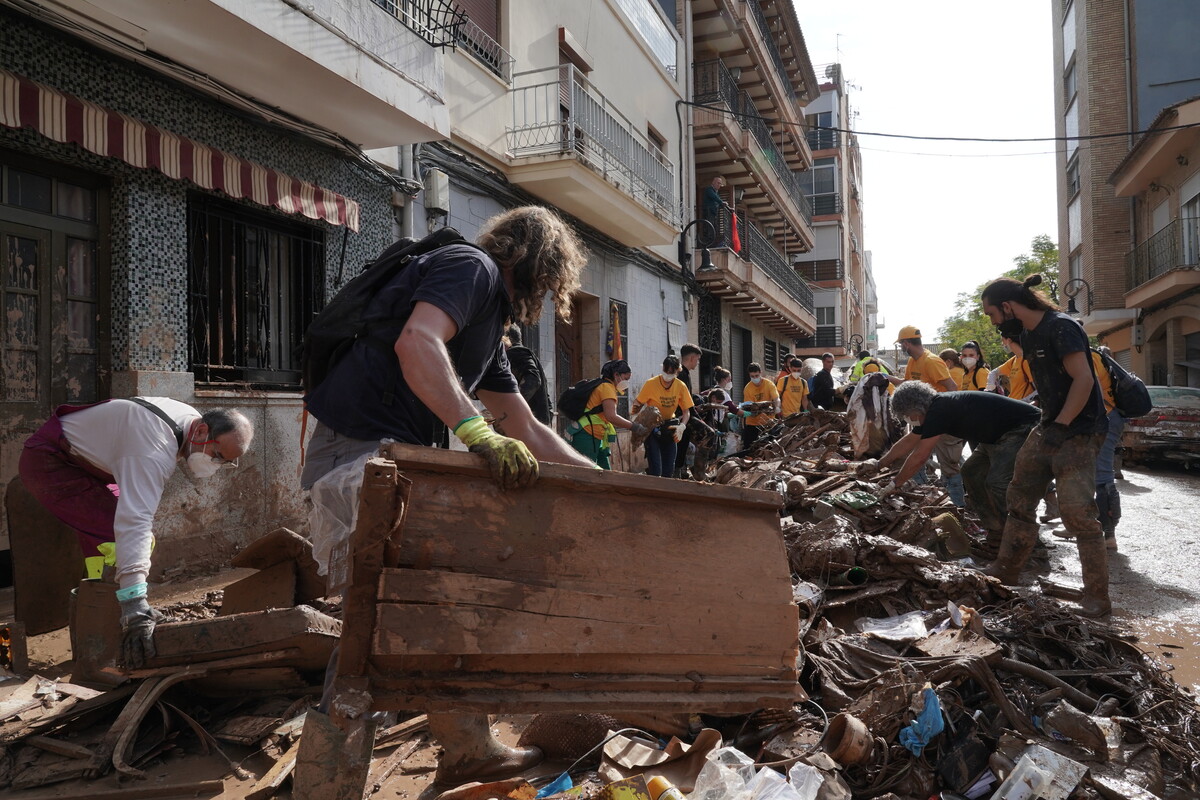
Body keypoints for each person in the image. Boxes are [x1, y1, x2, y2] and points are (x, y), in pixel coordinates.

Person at [301, 205, 596, 785]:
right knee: (385, 613)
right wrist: (475, 433)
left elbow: (527, 426)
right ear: (541, 264)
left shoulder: (490, 328)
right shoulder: (472, 269)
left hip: (386, 455)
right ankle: (326, 780)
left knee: (429, 604)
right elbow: (417, 344)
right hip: (358, 454)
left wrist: (614, 486)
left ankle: (464, 748)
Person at [19, 399, 253, 668]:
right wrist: (136, 605)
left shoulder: (187, 422)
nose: (216, 464)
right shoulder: (152, 450)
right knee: (119, 539)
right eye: (218, 456)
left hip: (90, 466)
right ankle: (111, 628)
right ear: (201, 432)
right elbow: (135, 520)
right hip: (51, 463)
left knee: (124, 544)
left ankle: (100, 614)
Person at [980, 274, 1110, 617]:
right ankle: (1007, 569)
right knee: (1019, 497)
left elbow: (1083, 380)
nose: (993, 322)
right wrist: (1050, 423)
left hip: (1079, 429)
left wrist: (1062, 424)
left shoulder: (1061, 328)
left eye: (993, 314)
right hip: (1049, 424)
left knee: (1077, 512)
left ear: (1008, 307)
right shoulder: (1031, 332)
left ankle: (1097, 597)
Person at [878, 383, 1039, 543]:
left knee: (998, 483)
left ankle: (1025, 544)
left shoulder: (939, 410)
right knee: (972, 473)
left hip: (1022, 428)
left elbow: (920, 456)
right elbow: (908, 442)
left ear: (916, 407)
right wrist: (879, 464)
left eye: (906, 414)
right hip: (996, 436)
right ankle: (996, 531)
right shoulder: (933, 410)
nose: (907, 419)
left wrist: (895, 484)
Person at [888, 327, 963, 504]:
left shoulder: (931, 361)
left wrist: (943, 416)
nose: (901, 348)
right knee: (916, 462)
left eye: (901, 345)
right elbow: (907, 384)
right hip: (924, 420)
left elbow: (952, 388)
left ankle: (958, 507)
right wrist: (888, 378)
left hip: (942, 420)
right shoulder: (914, 362)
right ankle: (924, 499)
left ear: (907, 343)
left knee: (950, 467)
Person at [568, 359, 647, 469]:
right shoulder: (607, 388)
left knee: (605, 472)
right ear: (616, 375)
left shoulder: (602, 385)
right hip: (587, 434)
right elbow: (611, 417)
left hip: (593, 434)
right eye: (626, 379)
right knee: (587, 474)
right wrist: (634, 426)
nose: (626, 383)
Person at [633, 355, 694, 477]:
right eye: (666, 371)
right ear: (663, 369)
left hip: (670, 428)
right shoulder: (651, 384)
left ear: (678, 370)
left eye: (672, 372)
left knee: (668, 469)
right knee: (655, 469)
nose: (668, 375)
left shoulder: (680, 386)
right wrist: (638, 413)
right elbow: (637, 404)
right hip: (652, 428)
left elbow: (686, 411)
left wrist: (682, 426)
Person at [502, 325, 551, 425]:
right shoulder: (526, 354)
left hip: (526, 424)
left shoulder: (517, 354)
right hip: (534, 422)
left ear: (507, 338)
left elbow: (533, 381)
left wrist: (510, 408)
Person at [673, 343, 703, 477]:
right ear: (692, 358)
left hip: (683, 418)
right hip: (680, 419)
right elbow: (686, 402)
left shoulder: (684, 374)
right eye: (697, 359)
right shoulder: (682, 375)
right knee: (679, 451)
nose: (697, 363)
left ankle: (681, 473)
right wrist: (698, 419)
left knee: (682, 450)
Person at [740, 362, 780, 447]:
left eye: (757, 376)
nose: (755, 378)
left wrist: (777, 407)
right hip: (752, 423)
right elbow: (748, 406)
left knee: (771, 446)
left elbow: (776, 398)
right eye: (752, 376)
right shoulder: (748, 388)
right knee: (749, 448)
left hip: (768, 422)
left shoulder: (769, 384)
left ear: (760, 373)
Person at [703, 176, 729, 246]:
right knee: (709, 228)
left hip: (713, 213)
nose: (719, 185)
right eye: (718, 183)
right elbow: (715, 198)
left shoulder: (716, 192)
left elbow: (718, 201)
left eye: (720, 184)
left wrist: (729, 208)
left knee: (714, 228)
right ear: (713, 182)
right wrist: (721, 202)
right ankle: (708, 244)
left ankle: (712, 243)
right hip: (709, 212)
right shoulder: (709, 189)